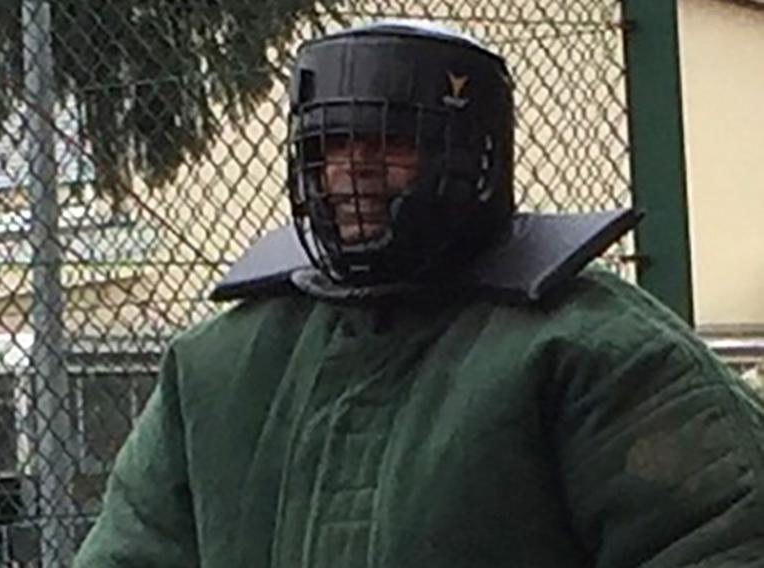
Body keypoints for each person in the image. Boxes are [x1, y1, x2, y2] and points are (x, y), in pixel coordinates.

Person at [74, 20, 764, 567]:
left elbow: (722, 539)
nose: (352, 174)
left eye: (390, 146)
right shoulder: (217, 365)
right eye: (331, 146)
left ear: (472, 153)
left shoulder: (593, 348)